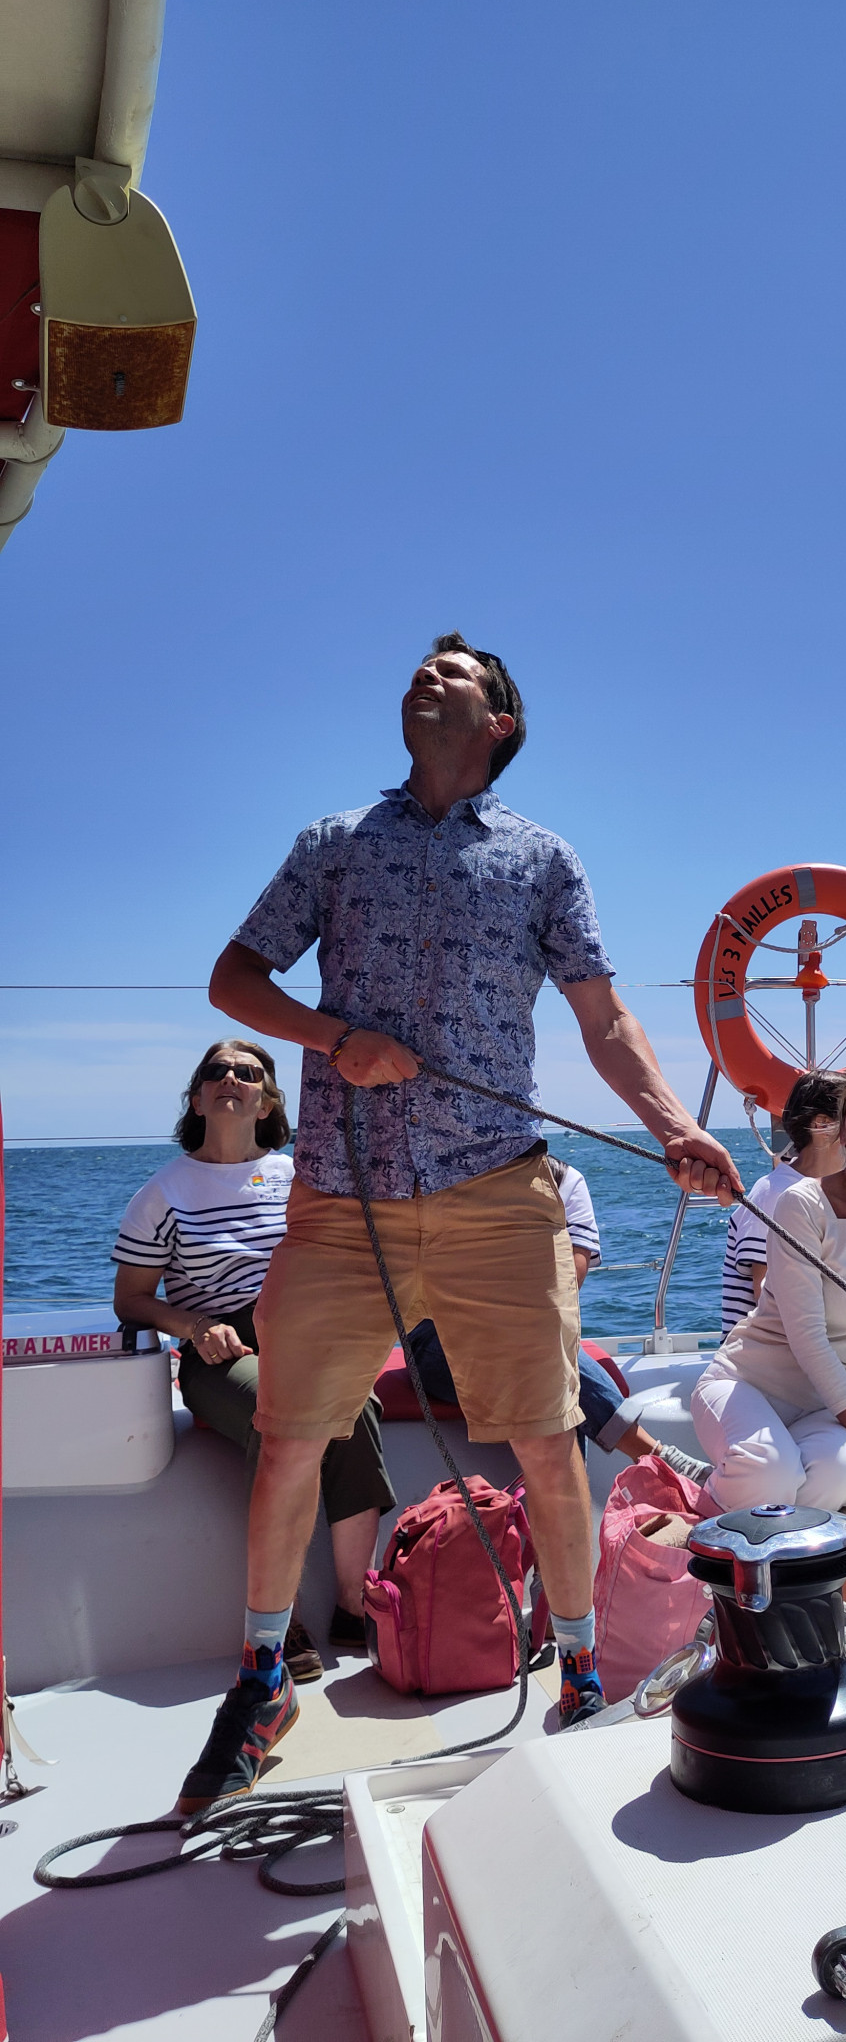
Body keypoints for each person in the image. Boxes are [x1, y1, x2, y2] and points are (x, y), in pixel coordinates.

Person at [174, 629, 738, 1812]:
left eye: (458, 673)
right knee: (288, 1436)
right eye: (420, 668)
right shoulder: (334, 843)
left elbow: (602, 1018)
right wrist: (334, 1039)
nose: (427, 674)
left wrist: (676, 1121)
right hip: (341, 1197)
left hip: (498, 1189)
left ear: (500, 725)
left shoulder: (544, 859)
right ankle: (265, 1677)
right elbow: (235, 980)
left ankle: (581, 1675)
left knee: (546, 1441)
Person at [113, 1041, 396, 1679]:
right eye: (216, 1071)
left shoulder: (299, 1178)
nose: (231, 1079)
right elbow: (130, 1301)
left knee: (361, 1406)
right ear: (197, 1097)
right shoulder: (163, 1192)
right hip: (220, 1349)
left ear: (267, 1100)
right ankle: (278, 1618)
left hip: (300, 1334)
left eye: (249, 1073)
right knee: (282, 1414)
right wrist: (191, 1326)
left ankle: (354, 1605)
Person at [692, 1064, 846, 1511]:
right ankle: (702, 1509)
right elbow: (807, 1336)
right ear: (841, 1130)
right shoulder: (802, 1202)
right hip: (748, 1385)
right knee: (767, 1472)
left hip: (825, 1412)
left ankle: (774, 1569)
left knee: (836, 1482)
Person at [407, 1154, 710, 1481]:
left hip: (535, 1336)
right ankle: (658, 1459)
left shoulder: (565, 1182)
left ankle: (556, 1517)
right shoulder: (454, 1176)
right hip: (440, 1343)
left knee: (546, 1359)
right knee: (546, 1353)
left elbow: (566, 1286)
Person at [719, 1070, 844, 1336]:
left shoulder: (834, 1192)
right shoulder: (773, 1193)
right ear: (822, 1126)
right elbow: (765, 1294)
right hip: (765, 1360)